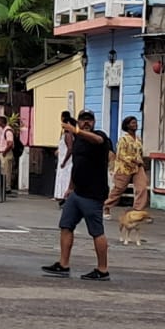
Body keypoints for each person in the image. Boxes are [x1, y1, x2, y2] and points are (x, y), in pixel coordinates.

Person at [42, 110, 111, 281]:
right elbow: (77, 165)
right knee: (66, 225)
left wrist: (76, 131)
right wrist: (70, 187)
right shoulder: (78, 140)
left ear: (94, 122)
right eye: (83, 120)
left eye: (89, 120)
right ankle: (63, 264)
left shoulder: (99, 136)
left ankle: (102, 269)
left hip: (93, 194)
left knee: (96, 231)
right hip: (77, 192)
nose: (86, 122)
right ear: (78, 121)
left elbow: (98, 140)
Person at [104, 116, 148, 220]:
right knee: (119, 189)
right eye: (132, 123)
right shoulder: (123, 139)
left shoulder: (138, 139)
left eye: (136, 123)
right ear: (127, 125)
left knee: (142, 187)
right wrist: (132, 160)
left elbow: (140, 153)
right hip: (124, 168)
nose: (135, 125)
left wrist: (141, 162)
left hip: (137, 167)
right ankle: (106, 206)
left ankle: (138, 211)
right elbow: (121, 155)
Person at [52, 111, 75, 204]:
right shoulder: (65, 134)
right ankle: (62, 197)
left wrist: (64, 161)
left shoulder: (68, 135)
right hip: (63, 158)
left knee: (65, 178)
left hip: (67, 160)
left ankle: (65, 197)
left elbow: (70, 148)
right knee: (63, 177)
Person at [0, 116, 15, 195]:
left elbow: (10, 143)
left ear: (2, 122)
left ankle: (7, 187)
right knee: (2, 170)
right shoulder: (4, 130)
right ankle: (3, 186)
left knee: (6, 171)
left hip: (6, 153)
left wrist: (4, 152)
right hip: (3, 153)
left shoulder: (8, 131)